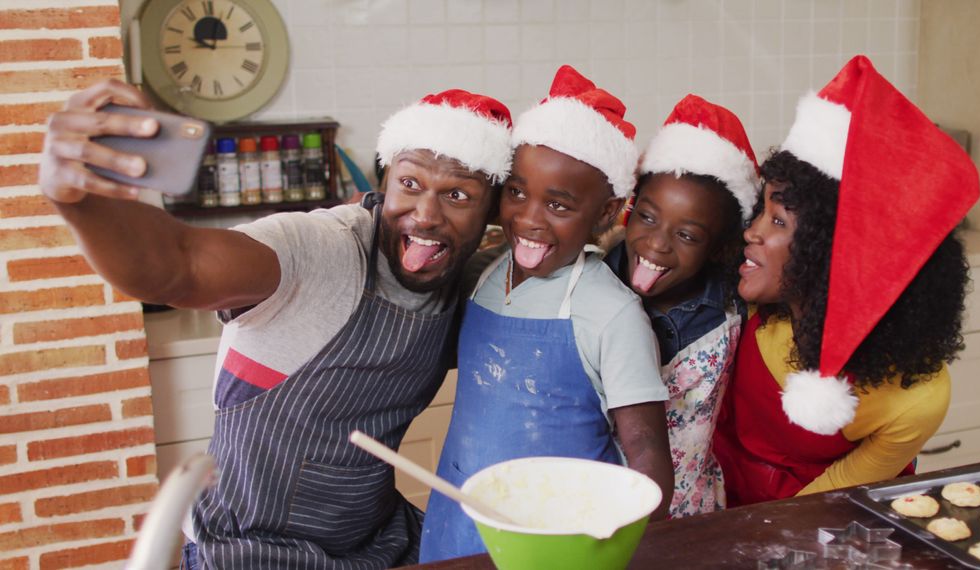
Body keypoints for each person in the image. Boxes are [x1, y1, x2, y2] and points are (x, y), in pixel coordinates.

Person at [38, 80, 514, 568]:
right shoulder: (320, 249)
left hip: (376, 543)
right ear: (387, 178)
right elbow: (179, 265)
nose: (426, 215)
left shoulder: (468, 283)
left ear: (492, 214)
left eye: (457, 195)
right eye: (409, 184)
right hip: (247, 549)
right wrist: (78, 202)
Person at [419, 65, 673, 562]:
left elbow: (647, 458)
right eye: (516, 192)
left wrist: (607, 545)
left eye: (558, 205)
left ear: (605, 213)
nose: (529, 218)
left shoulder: (612, 313)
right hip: (459, 514)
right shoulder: (485, 276)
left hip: (560, 540)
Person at [712, 55, 980, 507]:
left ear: (835, 250)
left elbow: (824, 507)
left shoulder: (917, 397)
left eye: (777, 221)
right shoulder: (749, 306)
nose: (752, 232)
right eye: (761, 211)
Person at [604, 94, 758, 517]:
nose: (657, 244)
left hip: (695, 512)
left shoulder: (735, 302)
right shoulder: (590, 285)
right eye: (648, 217)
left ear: (719, 246)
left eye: (687, 235)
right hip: (599, 510)